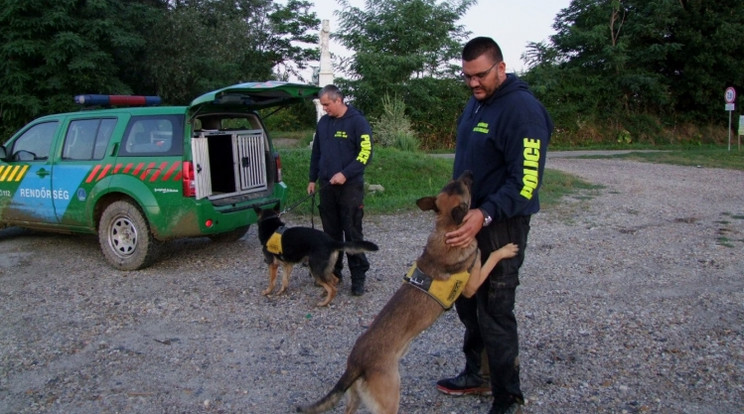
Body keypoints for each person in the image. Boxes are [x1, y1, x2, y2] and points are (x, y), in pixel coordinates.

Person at [436, 37, 553, 414]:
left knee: (495, 309)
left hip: (502, 223)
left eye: (480, 75)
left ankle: (508, 396)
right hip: (471, 222)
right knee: (466, 302)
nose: (473, 84)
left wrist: (484, 213)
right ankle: (478, 374)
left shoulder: (523, 111)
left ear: (501, 68)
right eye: (467, 77)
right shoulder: (476, 102)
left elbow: (526, 182)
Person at [307, 85, 373, 296]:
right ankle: (334, 272)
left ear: (338, 100)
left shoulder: (357, 121)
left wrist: (345, 173)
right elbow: (316, 152)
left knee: (352, 232)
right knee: (330, 234)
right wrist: (312, 178)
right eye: (322, 105)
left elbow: (366, 153)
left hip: (350, 187)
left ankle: (358, 276)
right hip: (327, 186)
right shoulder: (324, 123)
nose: (324, 108)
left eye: (326, 104)